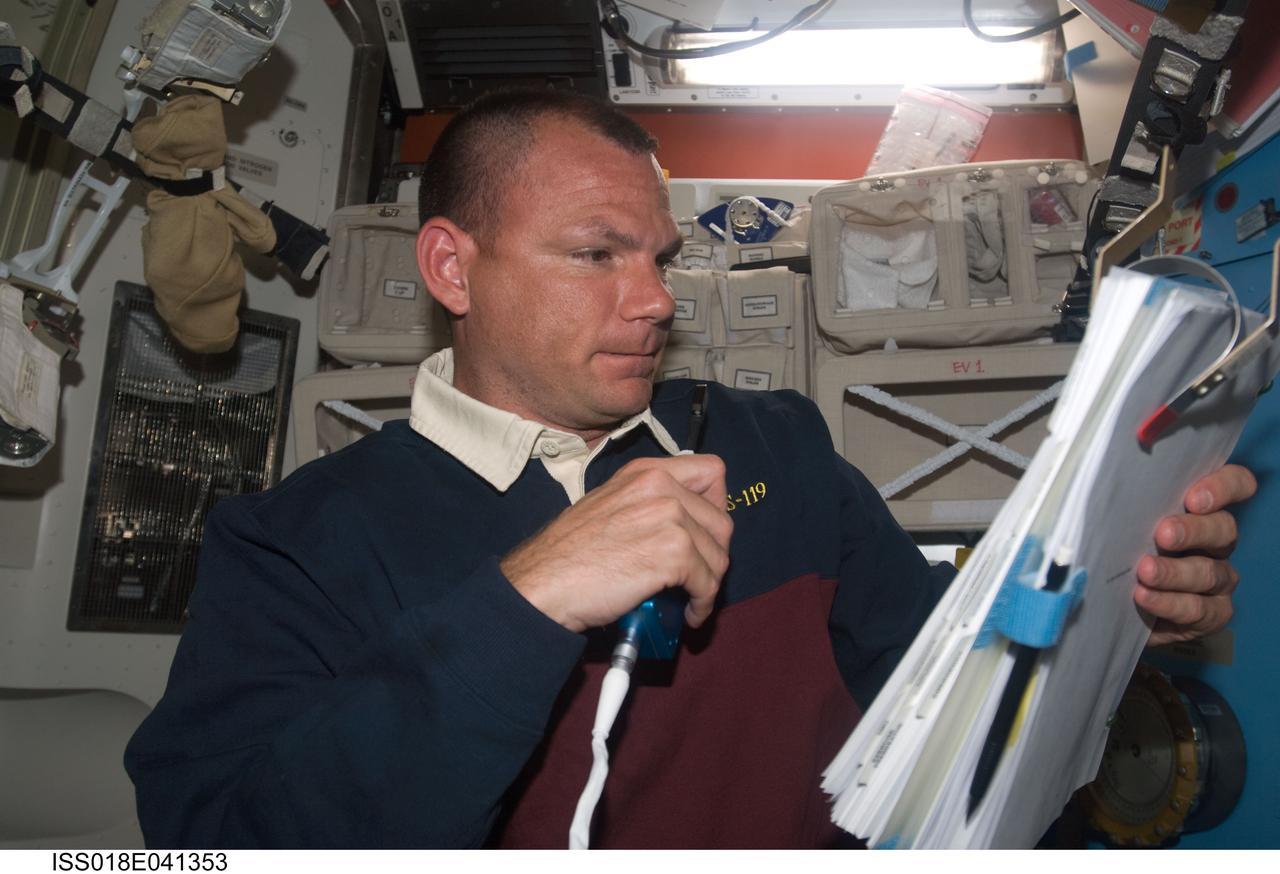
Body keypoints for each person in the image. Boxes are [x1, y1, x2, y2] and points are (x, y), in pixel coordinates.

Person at [124, 89, 1257, 849]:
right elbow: (210, 843)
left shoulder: (772, 446)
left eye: (658, 256)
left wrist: (1104, 608)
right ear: (451, 270)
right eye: (594, 253)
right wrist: (523, 601)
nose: (657, 296)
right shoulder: (293, 543)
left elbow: (945, 700)